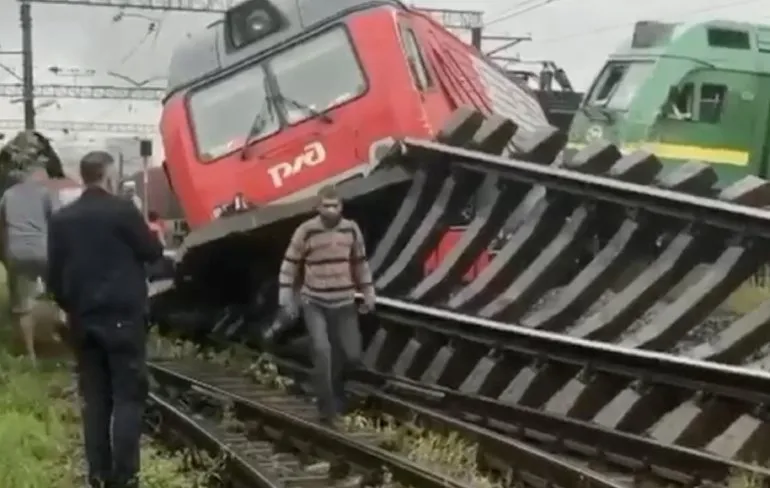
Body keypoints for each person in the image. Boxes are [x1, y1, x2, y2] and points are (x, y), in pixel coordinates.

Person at [47, 150, 163, 488]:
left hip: (83, 320)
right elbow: (152, 253)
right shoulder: (122, 211)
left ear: (84, 176)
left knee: (95, 399)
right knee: (127, 397)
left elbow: (53, 276)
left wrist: (71, 306)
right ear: (108, 176)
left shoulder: (62, 220)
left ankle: (97, 476)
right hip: (124, 318)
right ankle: (124, 479)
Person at [276, 184, 376, 424]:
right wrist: (285, 295)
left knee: (351, 354)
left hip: (344, 302)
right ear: (318, 207)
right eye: (326, 206)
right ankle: (327, 408)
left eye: (335, 205)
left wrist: (369, 293)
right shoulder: (306, 231)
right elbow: (290, 263)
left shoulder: (351, 231)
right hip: (315, 302)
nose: (330, 210)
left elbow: (360, 263)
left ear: (341, 206)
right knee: (323, 351)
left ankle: (336, 387)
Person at [0, 155, 56, 364]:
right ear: (34, 175)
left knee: (22, 305)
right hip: (44, 250)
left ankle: (31, 355)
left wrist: (6, 252)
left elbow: (2, 226)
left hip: (18, 252)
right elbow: (55, 221)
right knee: (57, 296)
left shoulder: (8, 195)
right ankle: (56, 341)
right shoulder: (44, 193)